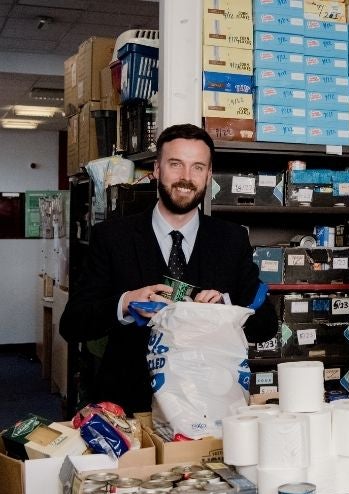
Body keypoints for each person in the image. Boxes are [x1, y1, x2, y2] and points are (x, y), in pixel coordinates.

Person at [60, 123, 278, 415]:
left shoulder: (231, 239)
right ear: (157, 169)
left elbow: (266, 325)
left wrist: (226, 310)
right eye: (176, 165)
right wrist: (124, 303)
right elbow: (72, 324)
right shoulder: (113, 237)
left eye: (198, 167)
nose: (186, 178)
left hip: (209, 407)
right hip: (129, 406)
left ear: (209, 175)